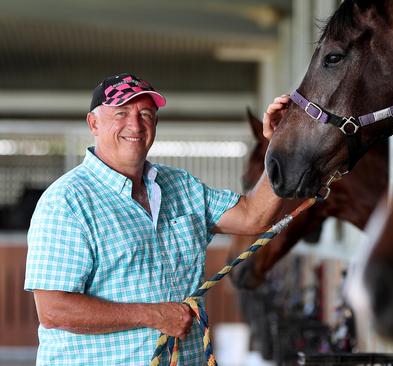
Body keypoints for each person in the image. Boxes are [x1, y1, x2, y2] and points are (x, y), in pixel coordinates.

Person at [24, 73, 291, 365]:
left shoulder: (181, 186)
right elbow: (54, 310)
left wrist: (282, 143)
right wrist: (153, 315)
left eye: (145, 114)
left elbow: (254, 215)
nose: (135, 125)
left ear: (155, 123)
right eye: (121, 113)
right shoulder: (66, 202)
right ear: (93, 124)